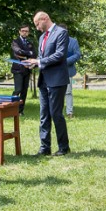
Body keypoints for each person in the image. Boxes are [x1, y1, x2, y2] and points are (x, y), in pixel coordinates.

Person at [23, 11, 71, 156]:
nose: (37, 27)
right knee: (44, 115)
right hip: (43, 80)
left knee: (56, 114)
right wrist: (33, 63)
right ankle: (45, 147)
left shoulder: (61, 33)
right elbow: (42, 57)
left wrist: (38, 61)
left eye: (37, 24)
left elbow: (59, 55)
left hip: (57, 80)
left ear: (45, 18)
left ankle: (63, 147)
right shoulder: (42, 37)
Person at [10, 25, 35, 115]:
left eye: (26, 31)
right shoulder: (15, 42)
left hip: (27, 69)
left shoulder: (30, 43)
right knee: (18, 90)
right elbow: (18, 51)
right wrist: (29, 53)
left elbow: (34, 54)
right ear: (19, 31)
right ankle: (12, 109)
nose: (25, 32)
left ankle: (20, 111)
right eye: (23, 31)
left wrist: (27, 55)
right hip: (18, 69)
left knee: (24, 91)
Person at [65, 32, 82, 119]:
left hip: (68, 70)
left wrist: (66, 61)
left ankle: (69, 113)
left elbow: (77, 54)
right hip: (55, 71)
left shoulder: (73, 41)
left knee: (68, 92)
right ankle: (55, 113)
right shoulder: (53, 40)